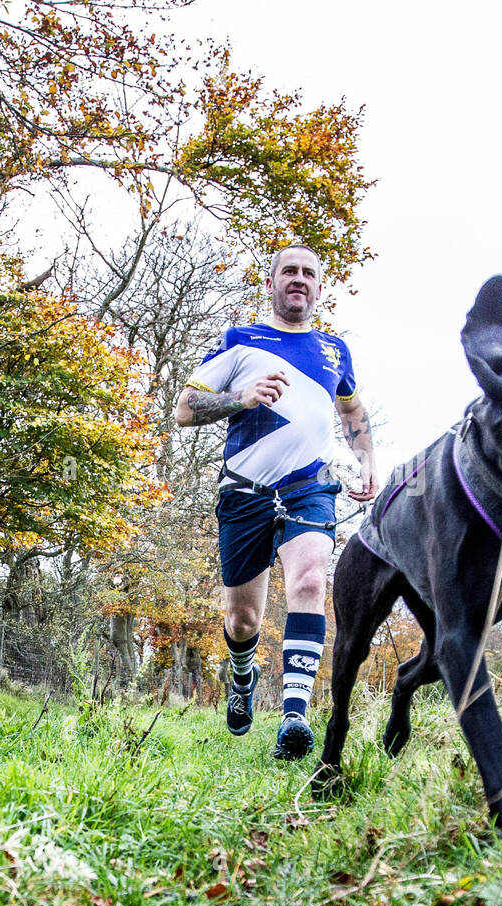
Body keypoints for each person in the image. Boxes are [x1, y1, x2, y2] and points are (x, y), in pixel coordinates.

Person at [174, 244, 378, 759]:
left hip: (310, 486)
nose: (300, 279)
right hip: (244, 489)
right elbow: (185, 409)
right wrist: (240, 398)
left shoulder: (335, 352)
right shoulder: (239, 342)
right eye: (290, 270)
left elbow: (353, 413)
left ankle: (294, 716)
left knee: (310, 579)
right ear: (270, 284)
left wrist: (367, 457)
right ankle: (242, 674)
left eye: (310, 273)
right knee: (243, 621)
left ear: (317, 288)